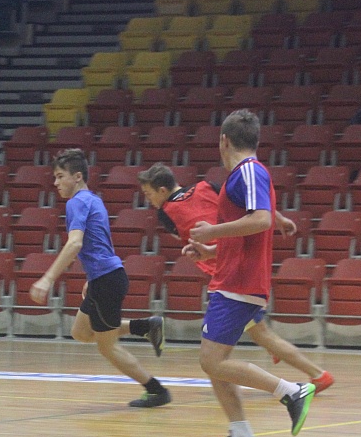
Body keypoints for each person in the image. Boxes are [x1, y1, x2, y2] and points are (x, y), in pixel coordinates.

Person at [185, 110, 316, 437]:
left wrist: (213, 231)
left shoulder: (249, 171)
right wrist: (210, 249)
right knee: (216, 363)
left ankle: (292, 391)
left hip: (239, 283)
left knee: (210, 361)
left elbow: (259, 220)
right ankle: (241, 436)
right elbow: (254, 224)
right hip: (230, 278)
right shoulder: (243, 177)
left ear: (223, 141)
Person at [137, 163, 335, 393]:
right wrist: (279, 218)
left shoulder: (166, 213)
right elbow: (248, 205)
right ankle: (299, 371)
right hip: (242, 267)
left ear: (162, 190)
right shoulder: (205, 186)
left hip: (230, 277)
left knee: (236, 348)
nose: (149, 200)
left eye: (149, 194)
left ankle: (313, 377)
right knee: (258, 335)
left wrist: (203, 250)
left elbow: (193, 240)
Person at [29, 148, 171, 408]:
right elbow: (98, 244)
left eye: (61, 176)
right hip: (104, 277)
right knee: (81, 332)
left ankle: (156, 390)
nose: (56, 182)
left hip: (107, 280)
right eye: (55, 177)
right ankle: (145, 327)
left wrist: (48, 278)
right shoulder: (93, 200)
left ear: (78, 176)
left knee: (107, 347)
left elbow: (75, 244)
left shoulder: (76, 202)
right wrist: (91, 276)